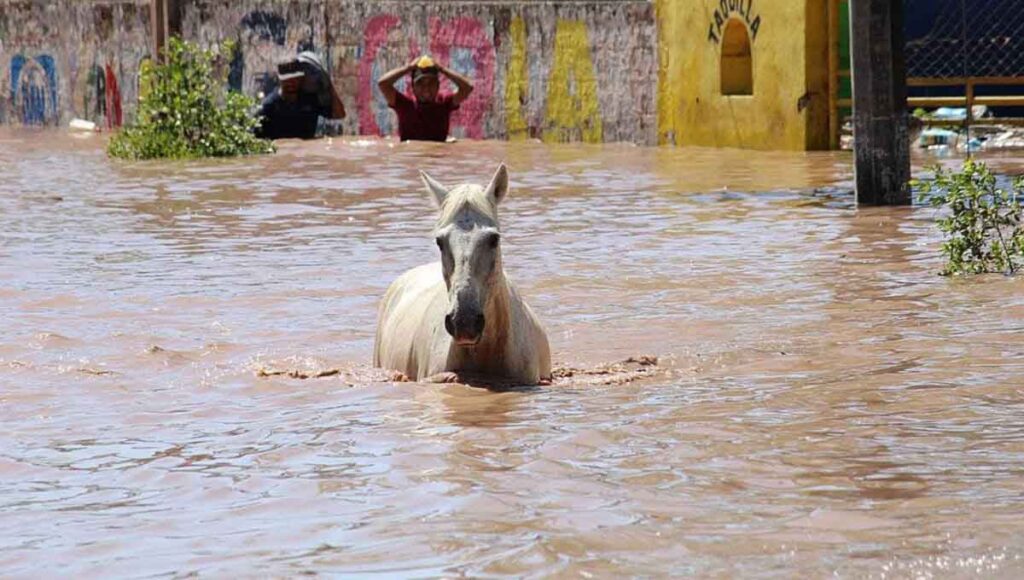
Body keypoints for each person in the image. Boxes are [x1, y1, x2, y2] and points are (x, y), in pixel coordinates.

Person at [377, 55, 474, 142]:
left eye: (431, 83)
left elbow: (467, 87)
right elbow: (383, 83)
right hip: (410, 158)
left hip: (437, 159)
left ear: (438, 86)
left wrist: (442, 69)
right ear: (413, 87)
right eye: (420, 84)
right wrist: (408, 68)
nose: (426, 89)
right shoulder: (405, 105)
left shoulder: (444, 104)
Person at [255, 52, 346, 140]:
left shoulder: (310, 100)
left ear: (301, 78)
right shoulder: (268, 107)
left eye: (294, 79)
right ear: (280, 80)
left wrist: (328, 84)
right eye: (287, 80)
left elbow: (339, 114)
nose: (291, 84)